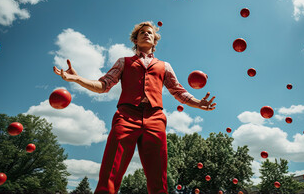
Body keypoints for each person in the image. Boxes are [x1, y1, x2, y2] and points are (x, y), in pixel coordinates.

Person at [53, 21, 216, 194]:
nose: (146, 34)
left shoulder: (165, 66)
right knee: (110, 172)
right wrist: (78, 79)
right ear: (135, 41)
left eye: (150, 33)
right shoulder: (123, 62)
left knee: (158, 178)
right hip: (126, 116)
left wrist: (198, 102)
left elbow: (178, 91)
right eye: (142, 33)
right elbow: (104, 85)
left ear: (154, 42)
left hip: (155, 118)